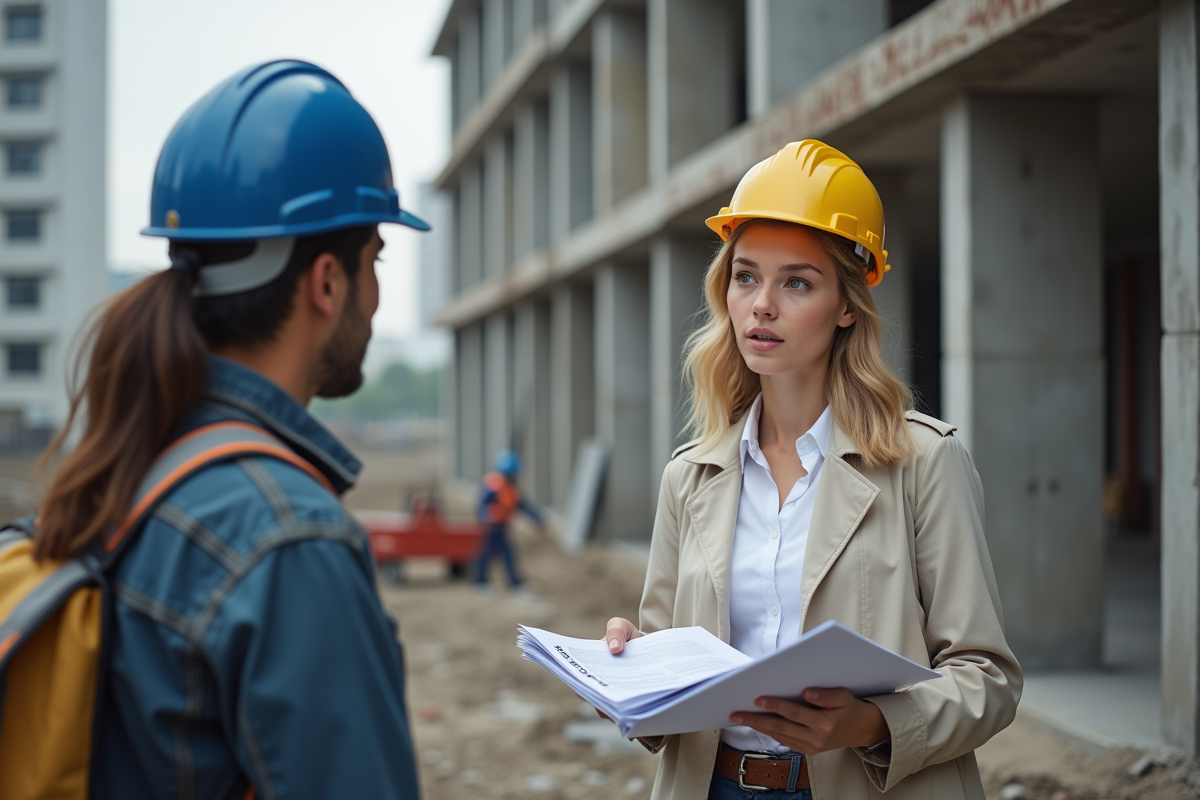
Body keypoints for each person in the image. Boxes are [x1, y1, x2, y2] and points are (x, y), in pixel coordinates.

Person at [32, 61, 428, 799]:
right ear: (327, 283)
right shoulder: (288, 540)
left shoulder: (121, 469)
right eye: (375, 258)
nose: (375, 295)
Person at [599, 140, 1021, 799]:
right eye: (746, 276)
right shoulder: (689, 477)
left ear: (847, 306)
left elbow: (988, 678)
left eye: (796, 281)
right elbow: (668, 693)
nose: (761, 305)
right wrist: (626, 674)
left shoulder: (925, 465)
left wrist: (874, 723)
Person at [475, 450, 543, 590]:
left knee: (508, 553)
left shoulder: (509, 488)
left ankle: (515, 582)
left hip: (502, 526)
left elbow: (522, 505)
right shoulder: (494, 484)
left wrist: (538, 520)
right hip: (491, 527)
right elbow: (481, 504)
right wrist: (485, 516)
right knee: (486, 553)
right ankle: (480, 581)